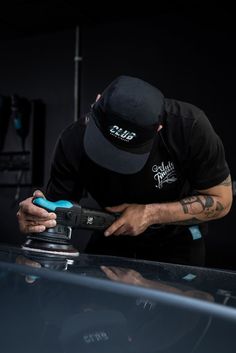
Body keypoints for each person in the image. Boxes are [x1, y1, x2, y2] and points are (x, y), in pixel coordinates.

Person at [17, 75, 233, 266]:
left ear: (158, 129)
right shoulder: (73, 140)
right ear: (97, 101)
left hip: (177, 242)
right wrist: (37, 217)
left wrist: (150, 214)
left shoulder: (189, 127)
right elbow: (56, 209)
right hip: (112, 233)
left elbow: (222, 200)